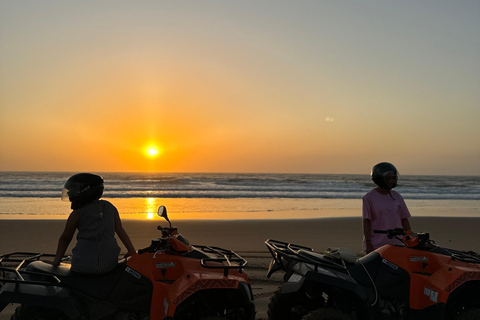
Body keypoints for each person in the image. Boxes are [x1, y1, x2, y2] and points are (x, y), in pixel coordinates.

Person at [52, 173, 136, 274]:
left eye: (73, 190)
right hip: (109, 265)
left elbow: (66, 238)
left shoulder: (77, 213)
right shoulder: (111, 208)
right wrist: (131, 250)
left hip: (83, 266)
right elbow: (120, 229)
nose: (70, 193)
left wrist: (57, 261)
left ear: (84, 191)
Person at [362, 162, 411, 254]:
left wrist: (410, 237)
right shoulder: (369, 198)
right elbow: (366, 222)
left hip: (397, 241)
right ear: (379, 179)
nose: (392, 181)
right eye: (388, 178)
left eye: (394, 178)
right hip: (377, 243)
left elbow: (404, 219)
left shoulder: (397, 196)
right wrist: (368, 243)